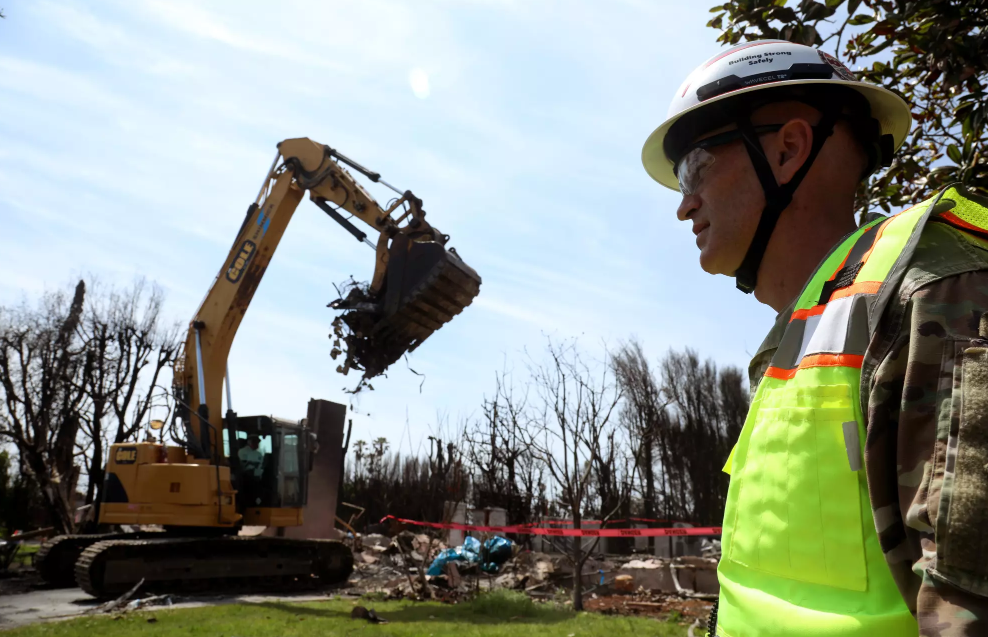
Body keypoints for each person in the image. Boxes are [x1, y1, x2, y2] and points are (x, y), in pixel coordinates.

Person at [641, 40, 988, 636]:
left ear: (788, 150)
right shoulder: (800, 335)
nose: (684, 205)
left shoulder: (936, 296)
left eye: (694, 166)